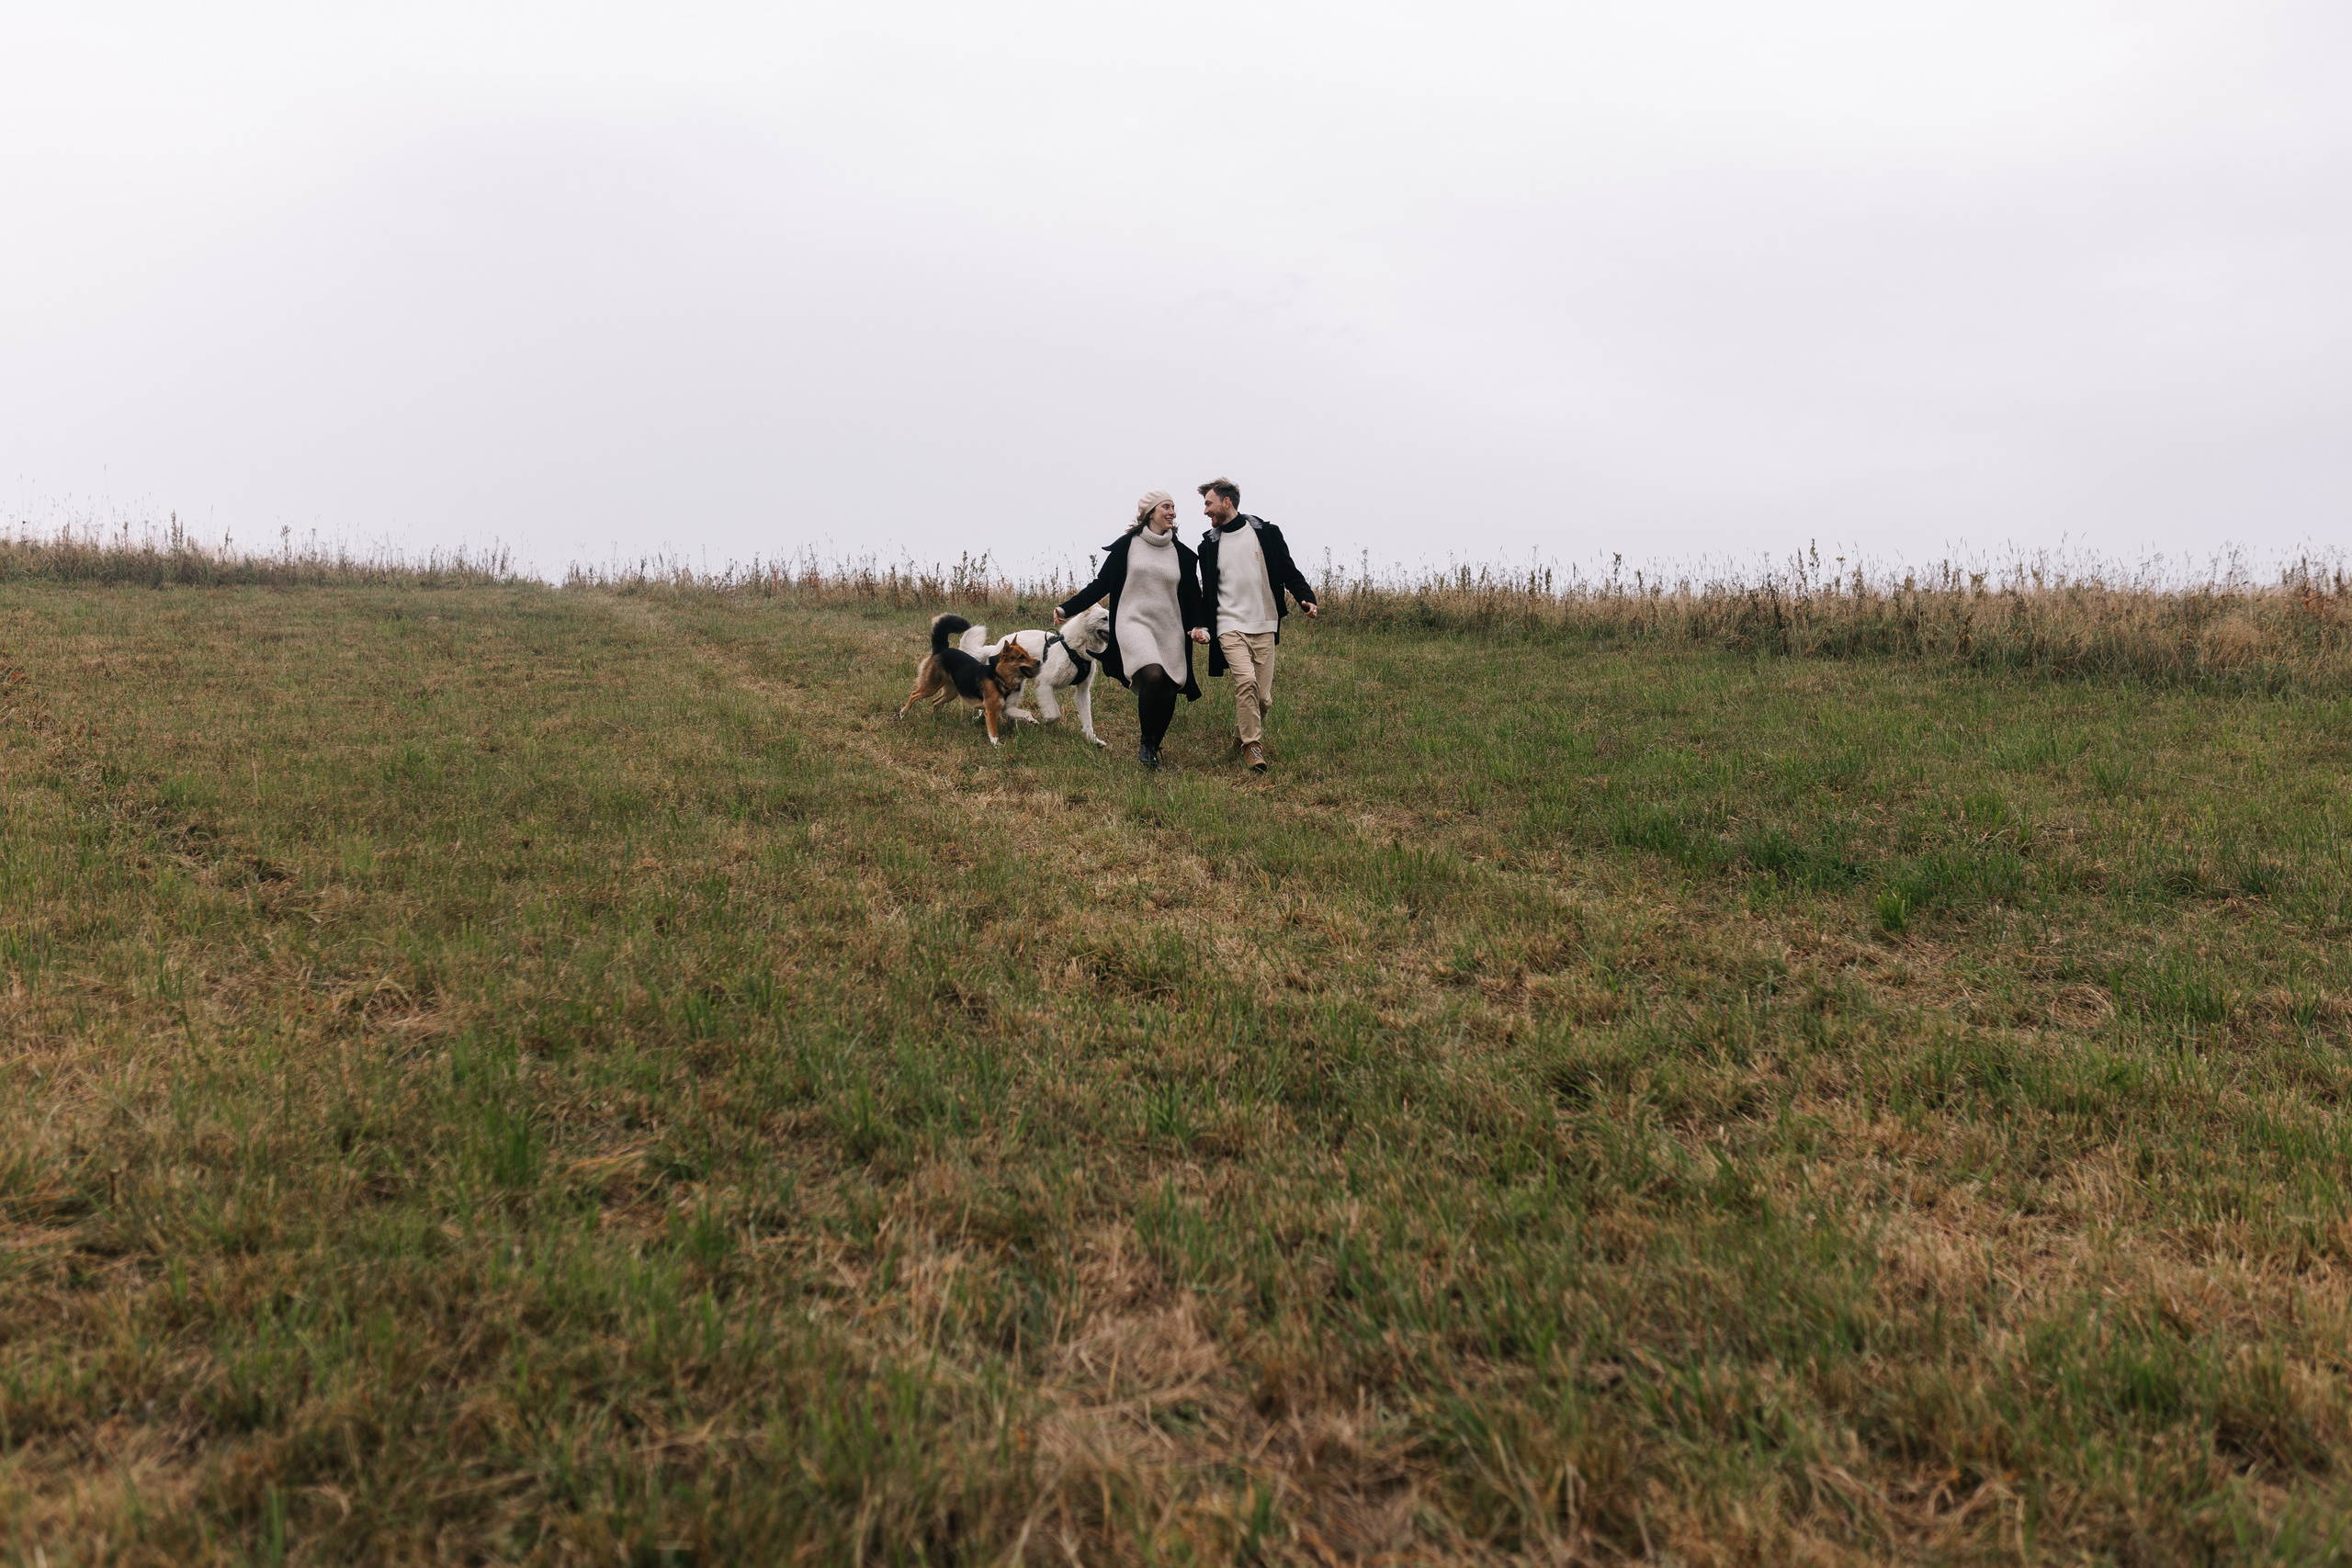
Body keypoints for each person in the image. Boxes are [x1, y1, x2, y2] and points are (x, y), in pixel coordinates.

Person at [1054, 491, 1209, 769]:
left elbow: (1192, 596)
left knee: (1171, 685)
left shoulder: (1181, 554)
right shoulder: (1128, 546)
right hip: (1133, 621)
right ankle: (1146, 744)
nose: (1172, 511)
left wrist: (1199, 626)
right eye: (1166, 506)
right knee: (1152, 673)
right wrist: (1067, 608)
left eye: (1174, 507)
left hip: (1170, 626)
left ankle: (1152, 744)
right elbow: (1101, 585)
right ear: (1151, 513)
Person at [1194, 478, 1317, 773]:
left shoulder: (1266, 533)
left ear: (1227, 502)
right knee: (1246, 682)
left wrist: (1305, 597)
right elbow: (1206, 592)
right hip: (1229, 625)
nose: (1205, 511)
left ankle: (1240, 734)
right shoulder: (1208, 545)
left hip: (1264, 622)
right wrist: (1202, 624)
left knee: (1263, 698)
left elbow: (1288, 569)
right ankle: (1253, 747)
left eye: (1209, 504)